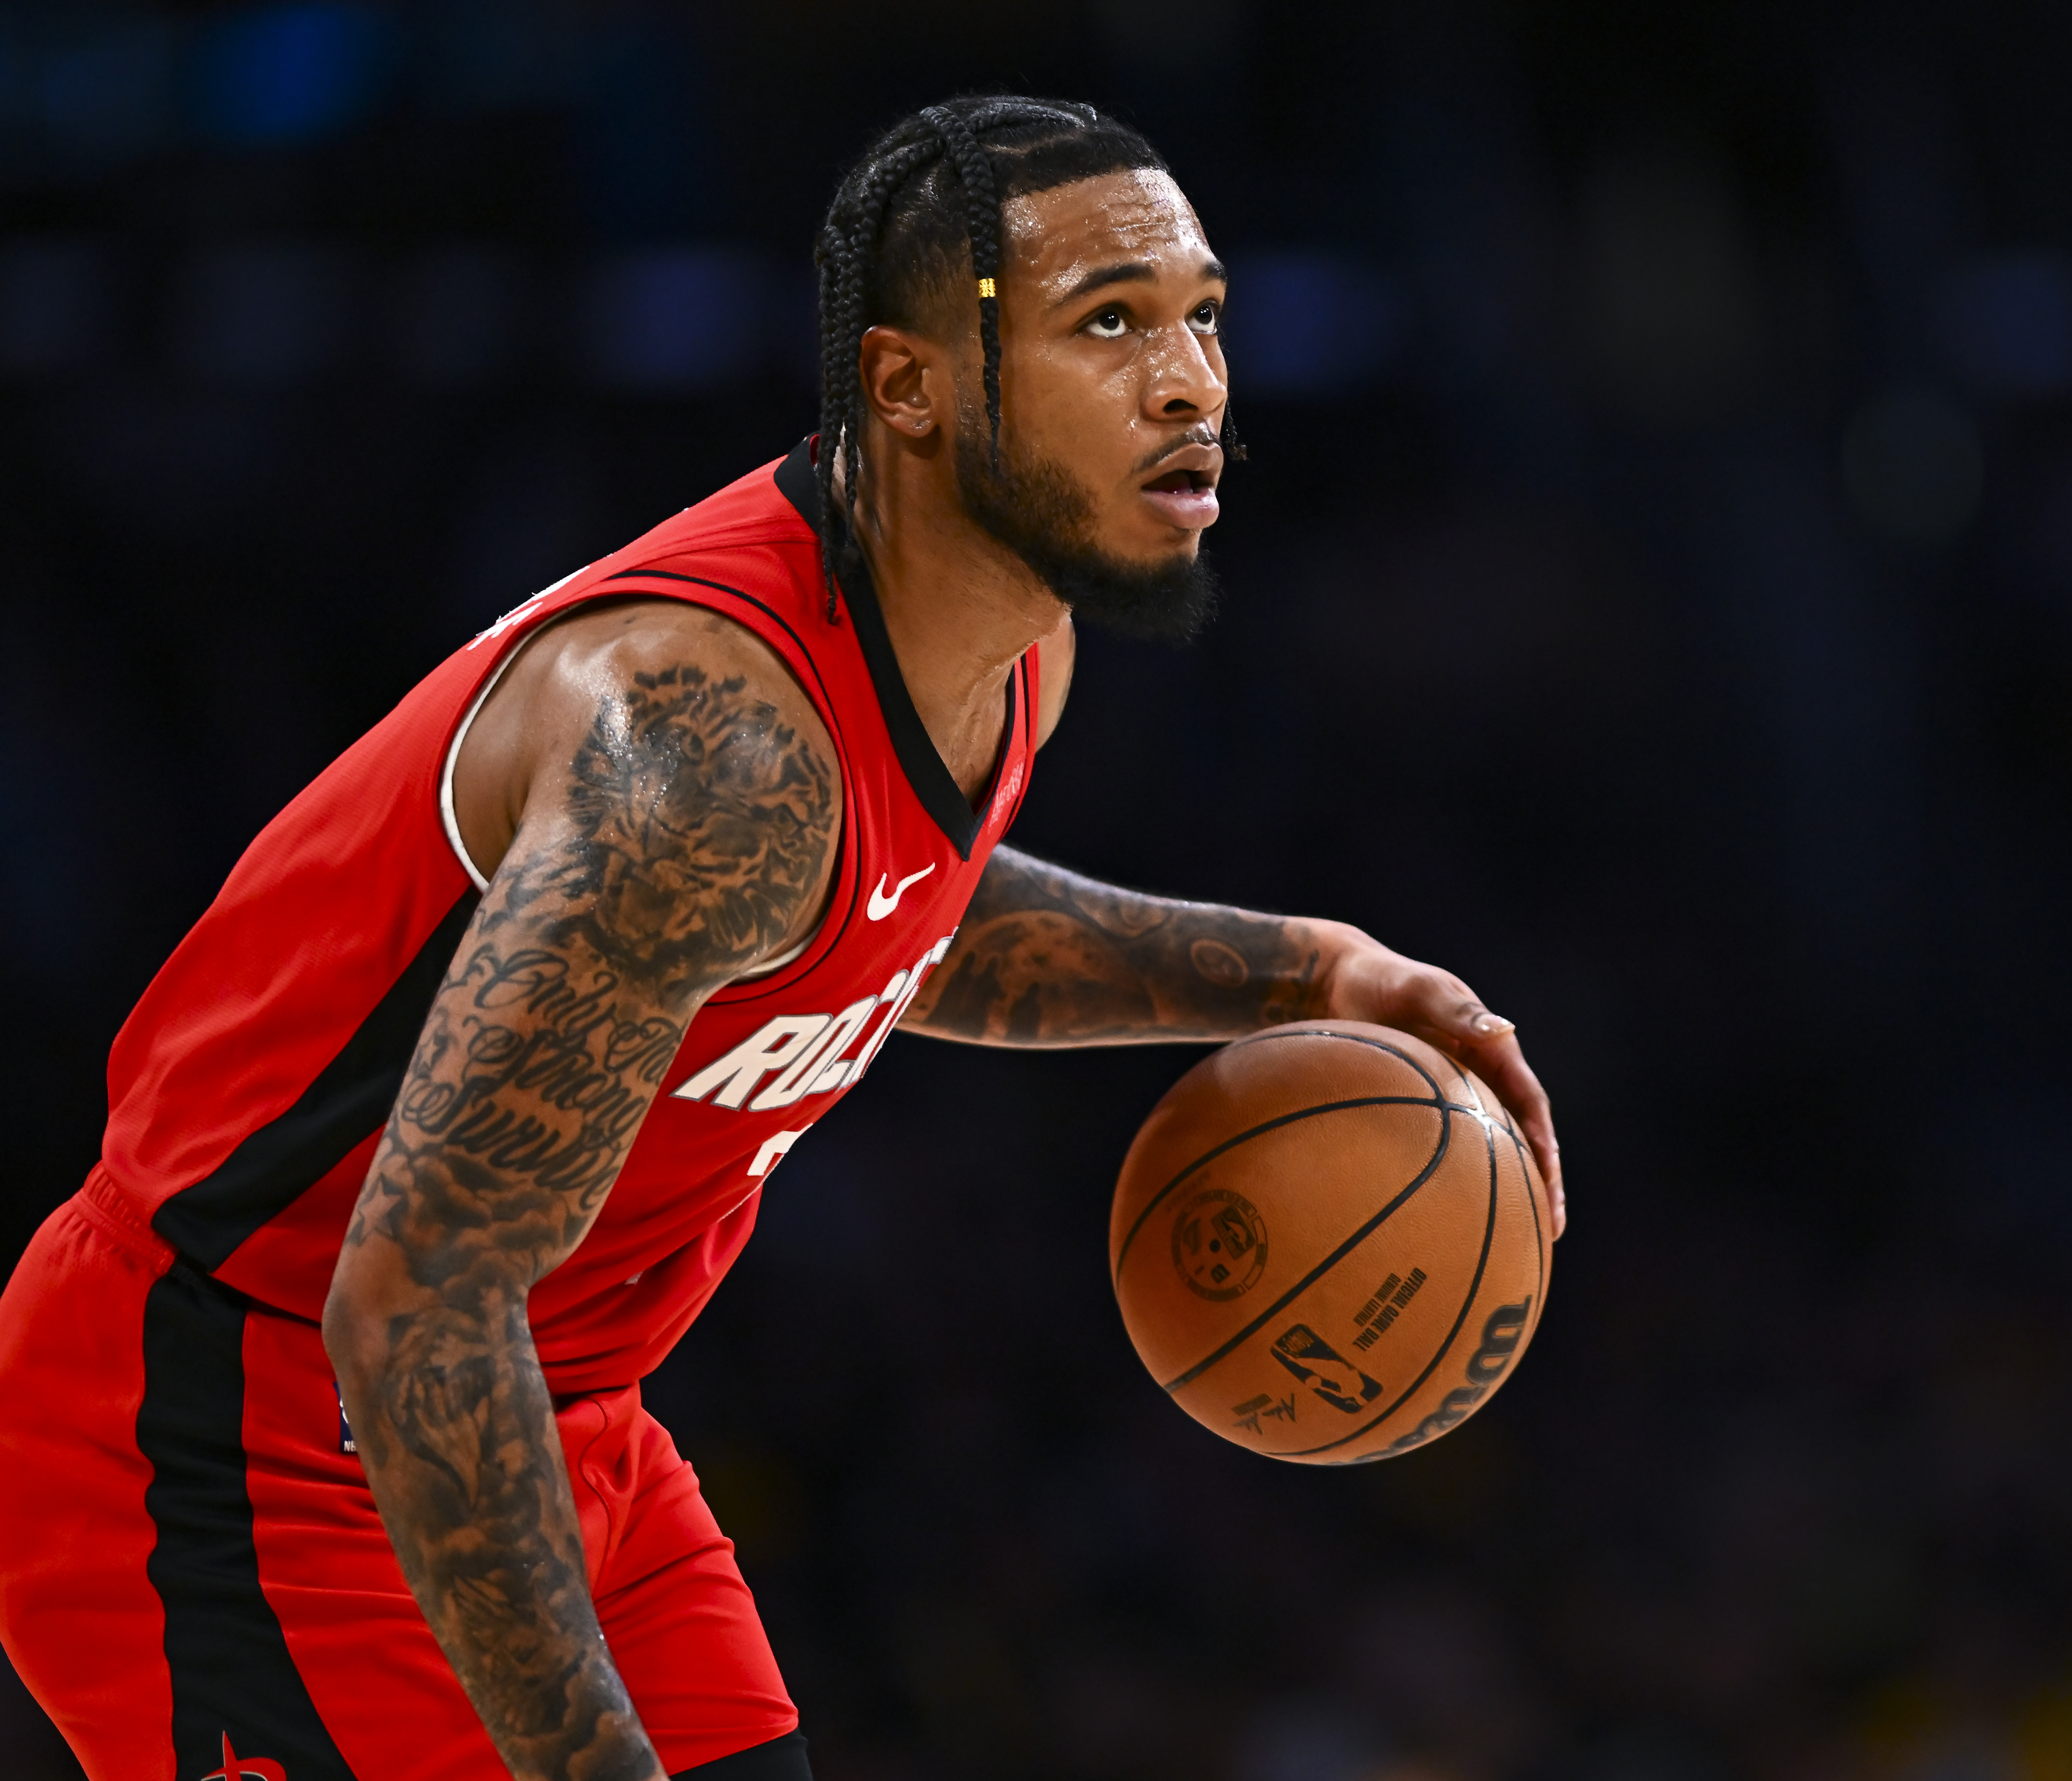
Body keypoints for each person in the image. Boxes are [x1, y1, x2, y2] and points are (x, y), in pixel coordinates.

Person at [0, 96, 1562, 1781]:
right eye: (1107, 322)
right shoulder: (702, 757)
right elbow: (414, 1308)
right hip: (241, 1421)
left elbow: (894, 922)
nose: (1190, 382)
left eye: (1201, 314)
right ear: (908, 389)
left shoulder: (1009, 647)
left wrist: (1304, 969)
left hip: (552, 1408)